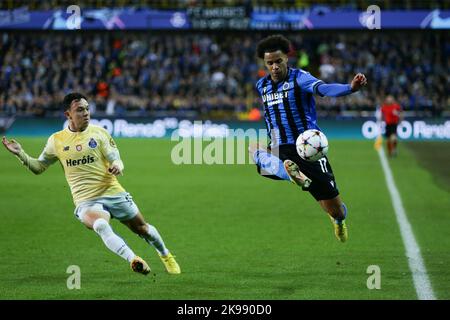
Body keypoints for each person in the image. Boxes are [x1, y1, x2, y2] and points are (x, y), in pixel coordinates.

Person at [2, 92, 180, 275]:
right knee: (101, 225)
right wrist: (20, 154)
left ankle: (166, 255)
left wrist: (117, 166)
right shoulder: (56, 140)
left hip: (112, 191)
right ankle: (133, 259)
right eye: (80, 110)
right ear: (68, 115)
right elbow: (39, 167)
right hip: (86, 201)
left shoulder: (99, 133)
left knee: (143, 229)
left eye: (87, 109)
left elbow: (116, 159)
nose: (86, 113)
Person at [250, 35, 367, 242]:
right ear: (265, 63)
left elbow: (324, 89)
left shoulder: (300, 78)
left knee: (334, 210)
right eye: (270, 63)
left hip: (308, 148)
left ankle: (338, 220)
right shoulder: (262, 85)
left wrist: (350, 88)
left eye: (278, 61)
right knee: (254, 149)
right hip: (280, 148)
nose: (275, 66)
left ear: (287, 58)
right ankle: (291, 173)